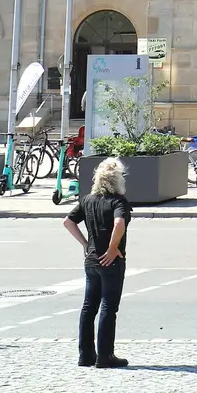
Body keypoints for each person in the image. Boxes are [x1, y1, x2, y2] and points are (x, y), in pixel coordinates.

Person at [62, 156, 132, 368]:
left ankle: (85, 355)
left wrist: (85, 243)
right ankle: (105, 355)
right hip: (110, 260)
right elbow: (119, 223)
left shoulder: (87, 200)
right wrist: (113, 248)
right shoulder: (118, 201)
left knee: (88, 306)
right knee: (108, 308)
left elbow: (68, 222)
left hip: (91, 258)